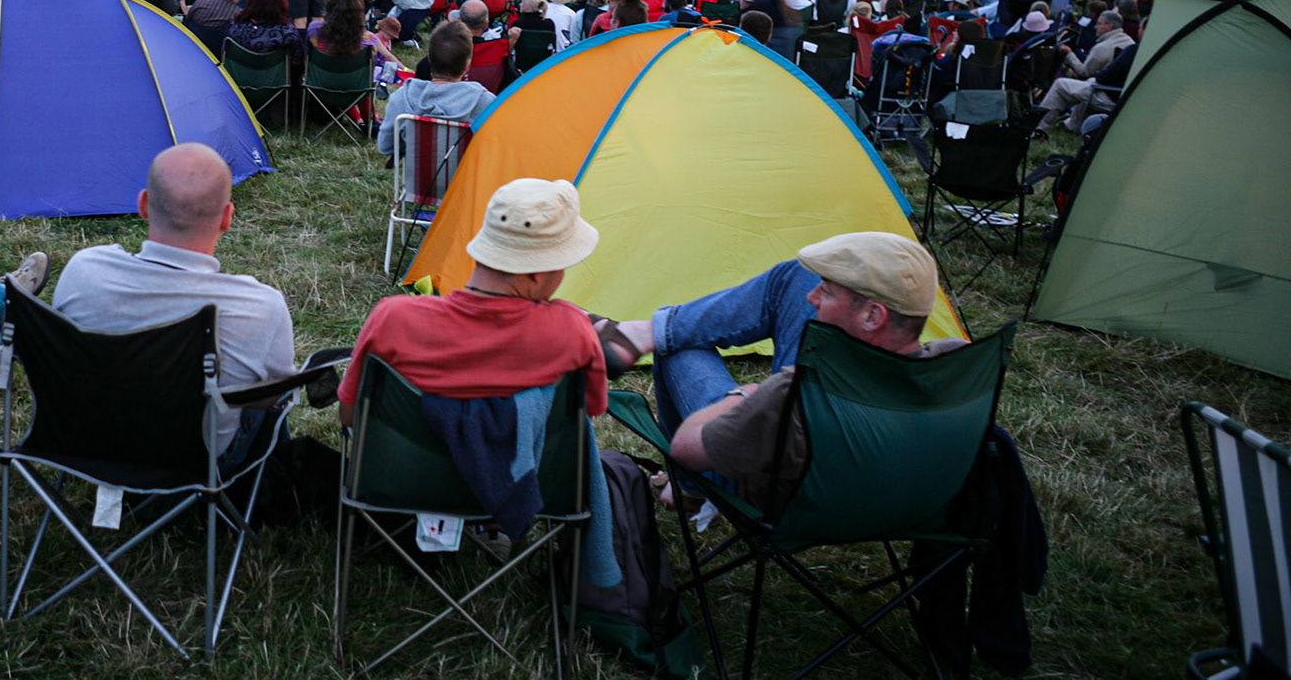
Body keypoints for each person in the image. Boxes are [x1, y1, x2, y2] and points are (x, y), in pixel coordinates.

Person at [598, 232, 960, 509]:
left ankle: (689, 488)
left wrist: (747, 396)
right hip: (886, 491)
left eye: (828, 293)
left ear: (872, 315)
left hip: (780, 490)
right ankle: (648, 332)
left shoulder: (790, 393)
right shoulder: (953, 369)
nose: (813, 298)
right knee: (796, 277)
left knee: (680, 347)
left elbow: (686, 448)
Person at [52, 142, 294, 465]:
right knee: (281, 388)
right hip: (198, 460)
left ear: (144, 205)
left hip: (87, 445)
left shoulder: (83, 272)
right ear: (227, 218)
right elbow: (272, 396)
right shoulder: (260, 306)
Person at [336, 177, 607, 426]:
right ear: (536, 273)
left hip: (403, 477)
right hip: (524, 474)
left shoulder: (393, 318)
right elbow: (590, 411)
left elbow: (350, 416)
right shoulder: (572, 331)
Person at [377, 21, 495, 158]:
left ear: (429, 60)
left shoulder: (403, 97)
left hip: (418, 178)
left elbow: (386, 147)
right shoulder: (485, 102)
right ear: (467, 66)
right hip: (468, 178)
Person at [226, 0, 301, 56]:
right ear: (281, 3)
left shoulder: (235, 28)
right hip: (276, 67)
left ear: (250, 1)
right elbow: (297, 61)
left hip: (237, 67)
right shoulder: (287, 34)